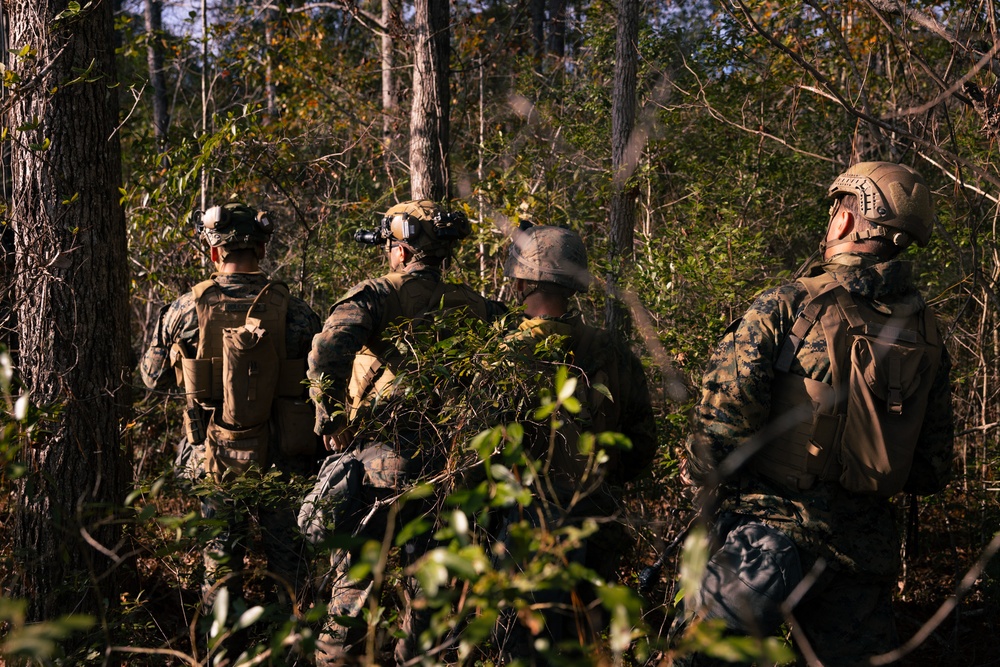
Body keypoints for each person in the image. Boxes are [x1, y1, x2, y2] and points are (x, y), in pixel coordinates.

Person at [672, 162, 954, 666]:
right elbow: (932, 470)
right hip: (865, 559)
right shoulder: (929, 334)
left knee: (697, 655)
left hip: (770, 540)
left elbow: (720, 434)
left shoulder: (788, 305)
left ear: (845, 223)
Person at [300, 199, 506, 664]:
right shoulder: (474, 304)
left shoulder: (378, 294)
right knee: (429, 601)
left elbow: (326, 349)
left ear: (402, 250)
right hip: (446, 472)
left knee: (352, 594)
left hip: (379, 472)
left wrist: (329, 417)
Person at [140, 202, 321, 622]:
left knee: (220, 571)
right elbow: (321, 384)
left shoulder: (185, 309)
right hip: (282, 461)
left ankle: (220, 648)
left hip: (215, 460)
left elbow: (151, 381)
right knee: (290, 570)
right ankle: (293, 647)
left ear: (215, 253)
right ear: (261, 249)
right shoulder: (296, 312)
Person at [497, 223, 658, 658]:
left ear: (524, 280)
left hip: (526, 527)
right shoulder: (614, 352)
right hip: (595, 520)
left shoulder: (504, 352)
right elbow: (641, 445)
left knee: (523, 648)